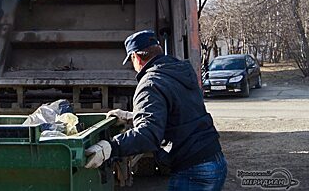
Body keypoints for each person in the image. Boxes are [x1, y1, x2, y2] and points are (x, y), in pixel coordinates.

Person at [85, 30, 227, 191]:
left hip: (194, 170)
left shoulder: (150, 83)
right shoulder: (180, 71)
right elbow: (178, 114)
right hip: (215, 160)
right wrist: (132, 117)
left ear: (136, 57)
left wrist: (109, 148)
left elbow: (148, 136)